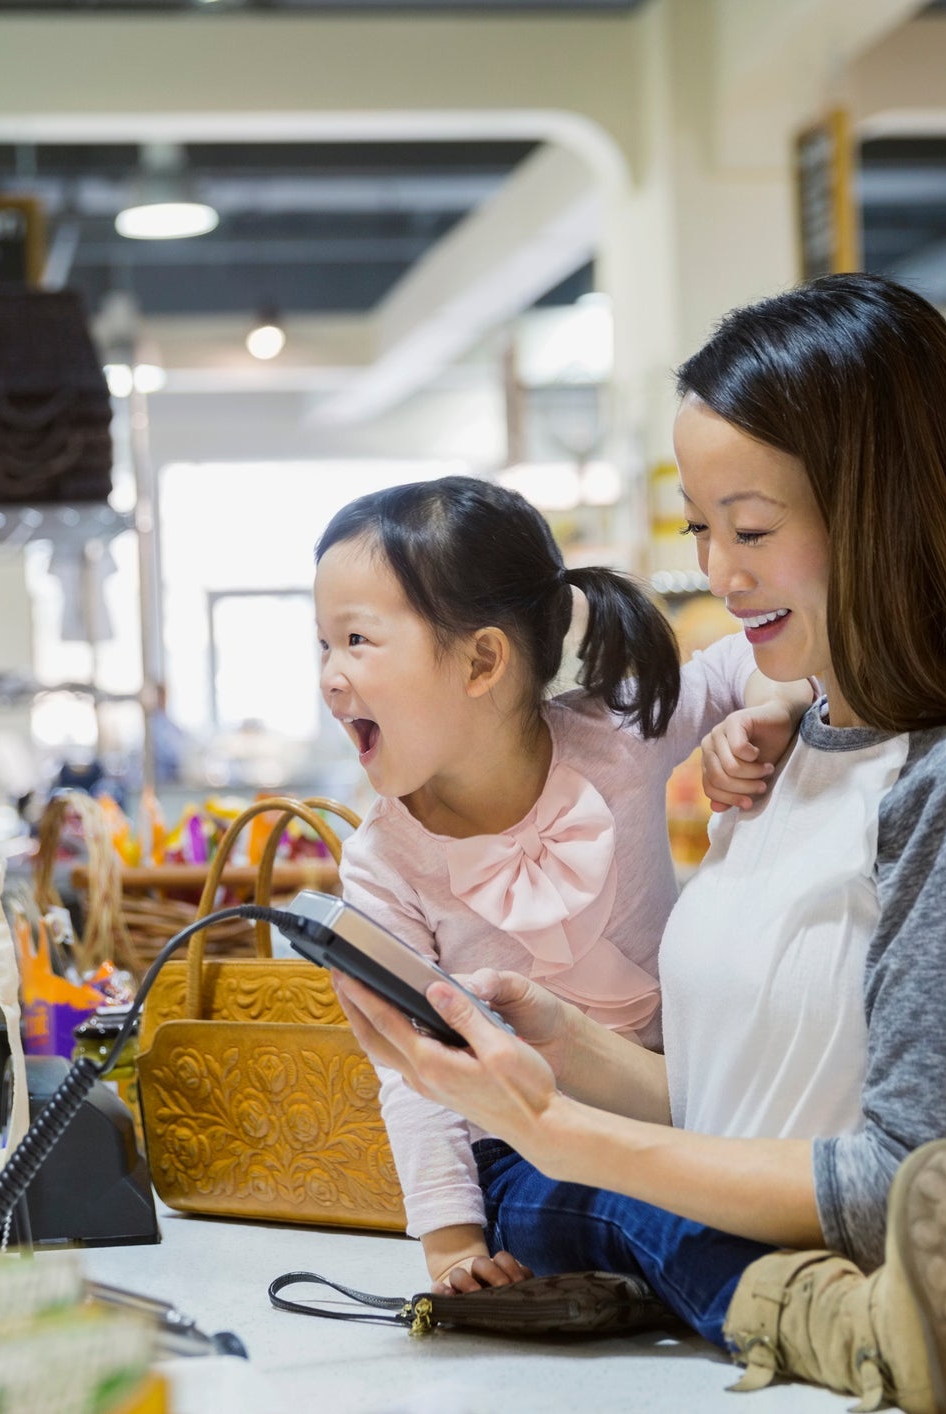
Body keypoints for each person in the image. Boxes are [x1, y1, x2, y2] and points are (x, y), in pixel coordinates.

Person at [333, 274, 946, 1414]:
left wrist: (561, 1134)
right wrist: (563, 1044)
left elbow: (909, 1187)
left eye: (752, 528)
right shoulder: (784, 749)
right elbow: (743, 1113)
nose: (720, 574)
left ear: (884, 510)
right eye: (701, 528)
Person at [312, 476, 814, 1293]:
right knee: (620, 1210)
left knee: (741, 1183)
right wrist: (450, 1242)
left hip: (680, 1101)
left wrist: (772, 708)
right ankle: (796, 1308)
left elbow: (743, 662)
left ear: (481, 660)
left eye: (357, 641)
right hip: (520, 1153)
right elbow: (414, 1073)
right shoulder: (383, 863)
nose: (331, 677)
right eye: (322, 646)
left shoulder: (613, 735)